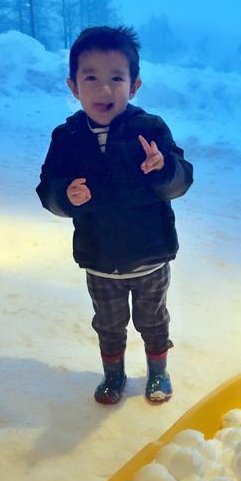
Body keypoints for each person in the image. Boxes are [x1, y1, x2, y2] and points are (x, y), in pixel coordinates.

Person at [36, 25, 193, 405]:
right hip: (100, 259)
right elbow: (47, 190)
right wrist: (66, 196)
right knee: (108, 324)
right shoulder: (67, 137)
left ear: (134, 85)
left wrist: (163, 168)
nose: (104, 90)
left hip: (150, 257)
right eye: (91, 78)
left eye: (116, 78)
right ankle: (114, 376)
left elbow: (182, 180)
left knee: (153, 321)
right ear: (73, 86)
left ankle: (158, 373)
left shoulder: (150, 129)